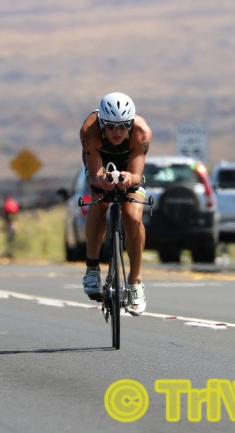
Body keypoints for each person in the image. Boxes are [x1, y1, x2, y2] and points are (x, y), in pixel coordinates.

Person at [79, 92, 152, 316]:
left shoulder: (142, 133)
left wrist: (128, 178)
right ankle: (92, 269)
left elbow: (137, 175)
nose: (116, 132)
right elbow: (94, 175)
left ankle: (135, 281)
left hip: (129, 167)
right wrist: (103, 180)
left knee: (132, 216)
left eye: (122, 127)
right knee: (99, 203)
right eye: (110, 126)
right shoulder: (89, 131)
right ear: (102, 123)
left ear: (130, 123)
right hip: (99, 164)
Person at [2, 194, 20, 259]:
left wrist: (5, 219)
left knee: (9, 227)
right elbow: (17, 209)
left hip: (9, 215)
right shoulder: (13, 202)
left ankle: (10, 236)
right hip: (15, 215)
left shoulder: (6, 203)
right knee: (14, 225)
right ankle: (13, 234)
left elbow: (5, 212)